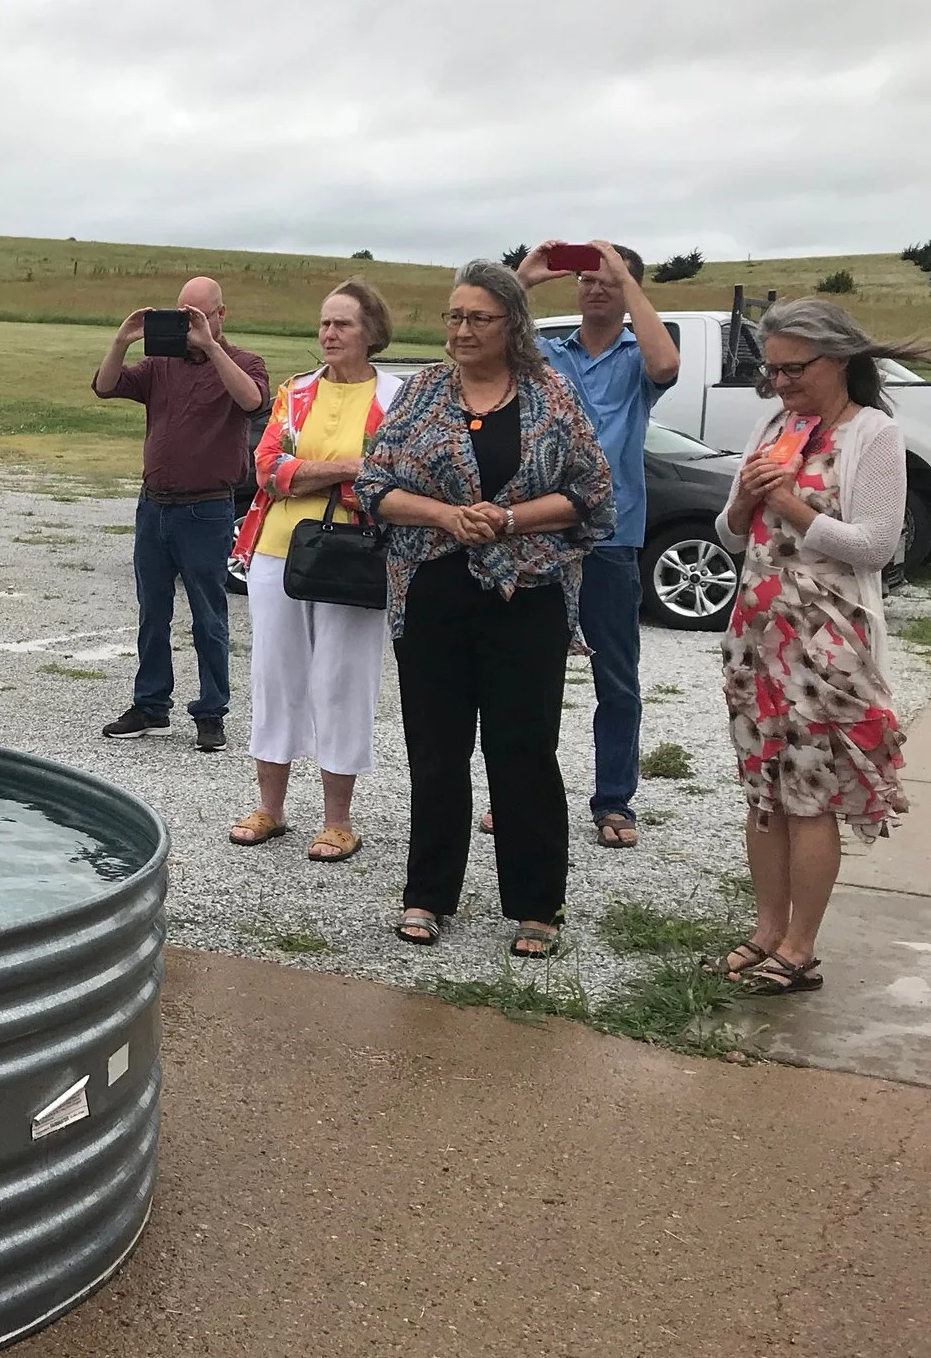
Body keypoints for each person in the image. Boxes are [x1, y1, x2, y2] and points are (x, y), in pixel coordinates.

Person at [355, 259, 614, 956]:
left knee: (523, 749)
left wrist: (508, 519)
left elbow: (591, 494)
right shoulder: (420, 393)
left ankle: (536, 906)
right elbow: (373, 484)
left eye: (478, 318)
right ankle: (427, 894)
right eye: (454, 316)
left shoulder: (549, 394)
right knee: (435, 749)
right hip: (434, 590)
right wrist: (446, 514)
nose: (462, 330)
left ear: (511, 325)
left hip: (525, 596)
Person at [713, 300, 931, 995]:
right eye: (769, 368)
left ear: (838, 359)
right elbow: (727, 533)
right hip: (756, 637)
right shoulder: (773, 424)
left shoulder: (874, 433)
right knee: (763, 793)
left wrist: (797, 509)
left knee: (810, 797)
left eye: (793, 368)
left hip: (828, 646)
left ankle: (800, 947)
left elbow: (876, 543)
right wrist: (747, 500)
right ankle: (766, 929)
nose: (778, 382)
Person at [225, 280, 404, 861]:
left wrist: (312, 471)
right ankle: (270, 808)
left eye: (343, 324)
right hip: (278, 549)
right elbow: (267, 469)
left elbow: (389, 478)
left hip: (355, 556)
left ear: (371, 333)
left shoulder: (399, 397)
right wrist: (344, 466)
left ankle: (337, 820)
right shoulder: (296, 392)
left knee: (342, 679)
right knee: (274, 675)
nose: (329, 334)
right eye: (325, 323)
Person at [520, 239, 679, 849]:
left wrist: (627, 279)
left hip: (611, 538)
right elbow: (481, 334)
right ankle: (524, 795)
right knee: (530, 673)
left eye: (607, 279)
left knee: (616, 676)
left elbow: (667, 367)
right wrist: (526, 278)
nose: (594, 287)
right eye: (585, 278)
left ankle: (614, 801)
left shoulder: (641, 356)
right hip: (539, 533)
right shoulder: (547, 352)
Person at [93, 277, 271, 750]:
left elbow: (253, 402)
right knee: (153, 612)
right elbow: (105, 387)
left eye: (197, 315)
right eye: (180, 314)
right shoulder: (160, 365)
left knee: (209, 615)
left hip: (207, 510)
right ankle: (151, 705)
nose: (187, 324)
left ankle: (211, 711)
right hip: (154, 507)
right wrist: (121, 340)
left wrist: (211, 348)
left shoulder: (244, 363)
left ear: (220, 314)